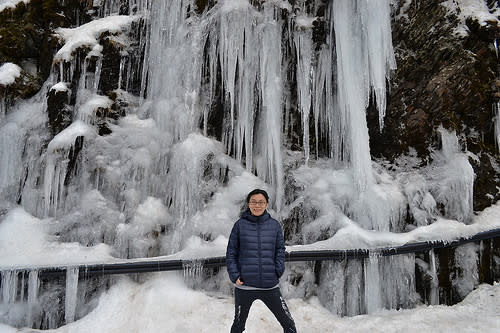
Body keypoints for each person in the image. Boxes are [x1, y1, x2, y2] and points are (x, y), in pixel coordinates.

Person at [226, 189, 297, 333]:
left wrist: (278, 270)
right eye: (253, 202)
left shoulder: (274, 225)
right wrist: (235, 275)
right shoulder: (239, 225)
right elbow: (231, 253)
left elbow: (279, 250)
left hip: (269, 286)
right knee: (238, 326)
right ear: (248, 204)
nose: (256, 205)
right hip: (245, 286)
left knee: (288, 324)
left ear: (266, 204)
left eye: (260, 202)